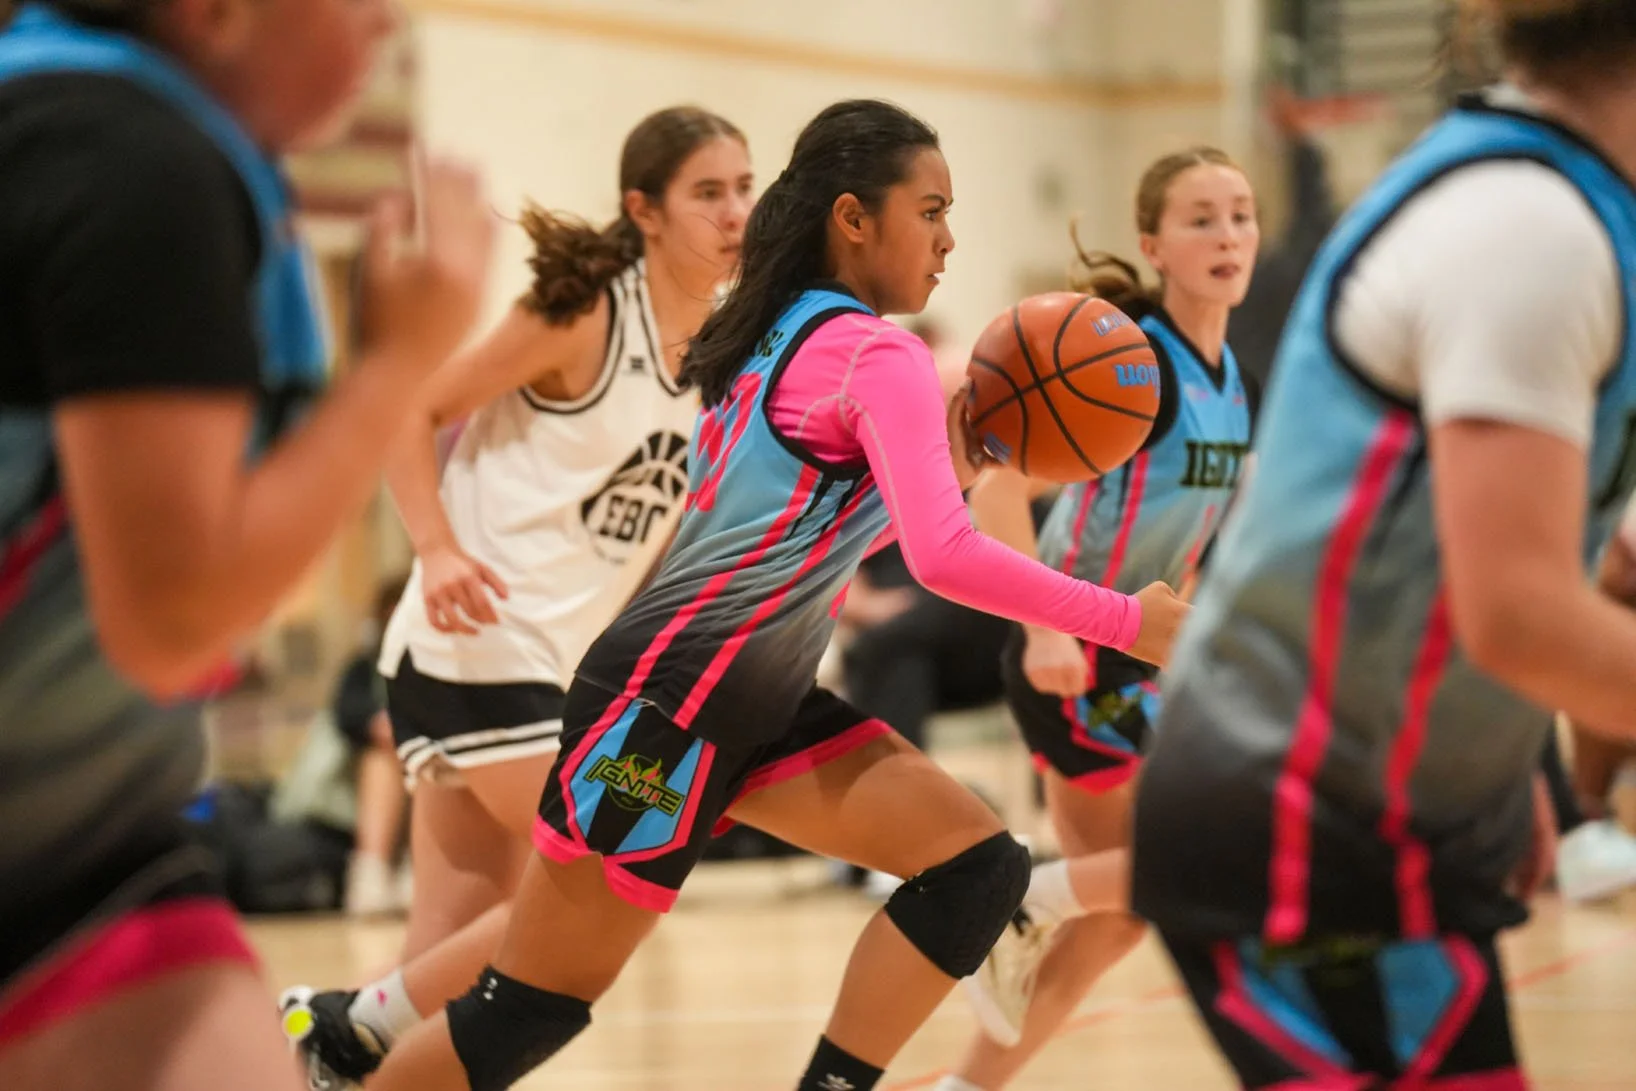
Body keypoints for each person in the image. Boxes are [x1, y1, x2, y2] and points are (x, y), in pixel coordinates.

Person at [354, 97, 1188, 1091]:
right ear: (853, 218)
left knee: (976, 865)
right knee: (524, 1008)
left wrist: (995, 433)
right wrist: (1130, 620)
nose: (949, 238)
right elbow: (942, 555)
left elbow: (858, 492)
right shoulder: (875, 354)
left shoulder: (794, 327)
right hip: (662, 713)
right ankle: (344, 1040)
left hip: (756, 702)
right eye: (930, 210)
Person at [1132, 1, 1636, 1086]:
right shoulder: (1529, 224)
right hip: (1297, 818)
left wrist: (1497, 774)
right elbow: (1520, 612)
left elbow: (1471, 562)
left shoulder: (1562, 204)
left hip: (1389, 821)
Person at [0, 0, 494, 1085]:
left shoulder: (124, 134)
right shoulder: (123, 155)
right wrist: (393, 366)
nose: (386, 17)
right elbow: (173, 620)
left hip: (85, 856)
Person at [278, 106, 753, 1086]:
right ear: (645, 209)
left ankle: (343, 1047)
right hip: (476, 643)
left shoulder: (710, 351)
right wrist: (437, 546)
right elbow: (408, 407)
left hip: (551, 661)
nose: (735, 211)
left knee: (470, 963)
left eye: (745, 187)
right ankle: (345, 1018)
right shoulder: (585, 314)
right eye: (709, 191)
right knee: (613, 857)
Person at [941, 148, 1259, 1089]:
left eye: (1240, 214)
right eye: (1202, 217)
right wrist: (1042, 629)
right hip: (1077, 650)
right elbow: (995, 484)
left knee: (1119, 910)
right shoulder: (1128, 361)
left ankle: (968, 1076)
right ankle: (1021, 892)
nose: (1228, 234)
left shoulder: (1228, 374)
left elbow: (1189, 533)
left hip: (1140, 657)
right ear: (1154, 242)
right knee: (1187, 861)